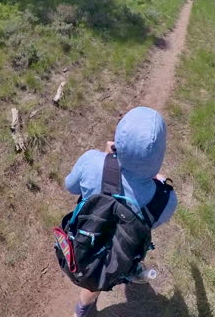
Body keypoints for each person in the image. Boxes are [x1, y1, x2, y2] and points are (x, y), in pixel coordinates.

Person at [64, 107, 178, 317]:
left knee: (92, 277)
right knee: (101, 276)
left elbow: (70, 186)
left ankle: (81, 311)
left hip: (84, 238)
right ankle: (83, 309)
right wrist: (157, 182)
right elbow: (152, 223)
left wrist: (106, 162)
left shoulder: (91, 161)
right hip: (119, 254)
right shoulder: (166, 199)